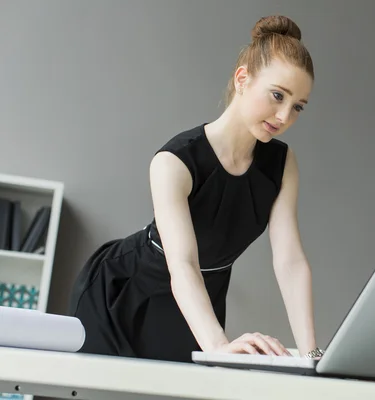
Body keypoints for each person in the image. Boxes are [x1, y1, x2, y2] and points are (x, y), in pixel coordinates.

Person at [68, 14, 324, 363]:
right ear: (243, 79)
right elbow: (184, 264)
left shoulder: (282, 163)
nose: (283, 117)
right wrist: (218, 345)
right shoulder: (174, 161)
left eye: (297, 107)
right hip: (124, 297)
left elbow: (290, 260)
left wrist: (313, 355)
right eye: (277, 95)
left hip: (199, 304)